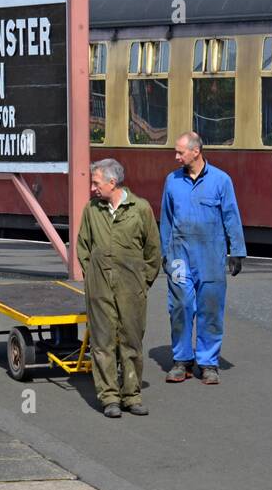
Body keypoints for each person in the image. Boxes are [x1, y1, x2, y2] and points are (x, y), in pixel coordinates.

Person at [159, 132, 247, 386]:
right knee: (180, 306)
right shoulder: (172, 181)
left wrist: (237, 251)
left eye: (180, 152)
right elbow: (166, 219)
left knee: (210, 309)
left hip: (211, 257)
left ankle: (208, 362)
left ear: (195, 151)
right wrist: (164, 253)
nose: (176, 157)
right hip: (178, 257)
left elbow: (231, 216)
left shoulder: (221, 181)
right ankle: (182, 361)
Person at [76, 158, 161, 418]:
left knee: (131, 342)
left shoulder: (140, 209)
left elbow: (153, 252)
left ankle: (132, 396)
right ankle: (109, 397)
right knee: (102, 343)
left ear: (112, 183)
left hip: (131, 289)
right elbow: (83, 247)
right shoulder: (92, 210)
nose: (92, 188)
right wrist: (93, 276)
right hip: (99, 288)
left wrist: (141, 282)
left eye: (96, 183)